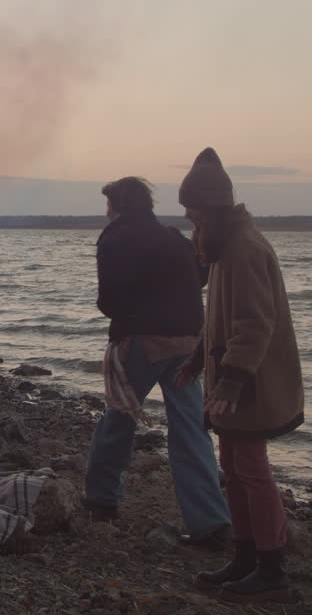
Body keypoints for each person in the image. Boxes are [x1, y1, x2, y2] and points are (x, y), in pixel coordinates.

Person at [176, 147, 304, 602]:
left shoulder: (244, 249)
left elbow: (254, 322)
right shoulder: (225, 246)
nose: (187, 216)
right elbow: (220, 321)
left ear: (209, 206)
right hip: (233, 377)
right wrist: (196, 360)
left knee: (251, 469)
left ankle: (273, 569)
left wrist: (231, 380)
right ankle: (246, 557)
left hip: (252, 383)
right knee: (231, 468)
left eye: (191, 208)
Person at [82, 176, 232, 546]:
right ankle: (211, 523)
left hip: (142, 341)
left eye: (108, 206)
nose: (106, 213)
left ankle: (101, 500)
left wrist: (134, 311)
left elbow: (108, 302)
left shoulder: (114, 238)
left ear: (116, 206)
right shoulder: (172, 236)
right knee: (191, 429)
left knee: (119, 417)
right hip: (188, 341)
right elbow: (199, 274)